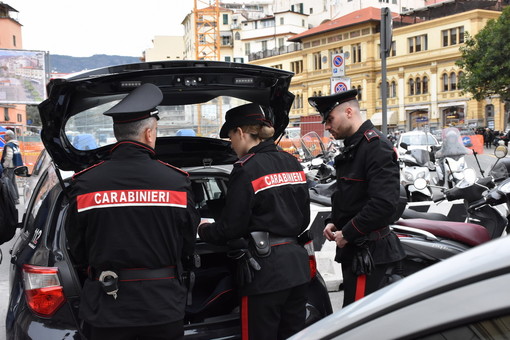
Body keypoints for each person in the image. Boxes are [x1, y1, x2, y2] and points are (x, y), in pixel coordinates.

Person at [66, 83, 200, 340]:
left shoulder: (85, 183)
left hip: (106, 308)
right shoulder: (176, 182)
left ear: (117, 133)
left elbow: (78, 247)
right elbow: (187, 244)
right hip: (163, 307)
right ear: (149, 134)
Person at [198, 103, 311, 340]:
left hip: (265, 272)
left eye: (230, 137)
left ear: (240, 132)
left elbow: (232, 227)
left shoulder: (246, 168)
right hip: (298, 268)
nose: (230, 144)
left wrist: (204, 230)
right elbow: (304, 218)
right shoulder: (292, 163)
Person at [308, 89, 405, 307]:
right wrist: (334, 221)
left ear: (349, 112)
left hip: (368, 252)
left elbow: (384, 204)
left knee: (357, 323)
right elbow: (351, 197)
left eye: (330, 119)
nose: (326, 126)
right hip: (357, 250)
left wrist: (348, 232)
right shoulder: (356, 146)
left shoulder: (375, 146)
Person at [1, 129, 22, 204]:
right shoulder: (15, 144)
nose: (4, 136)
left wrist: (4, 165)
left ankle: (14, 199)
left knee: (9, 182)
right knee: (13, 182)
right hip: (14, 166)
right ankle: (16, 197)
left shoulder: (8, 145)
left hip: (9, 167)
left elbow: (9, 156)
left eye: (5, 135)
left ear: (9, 136)